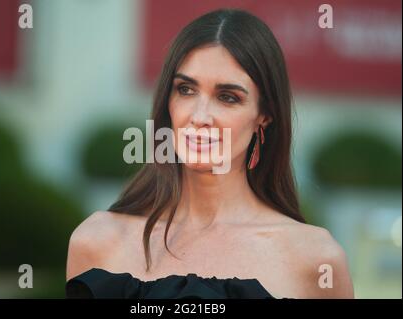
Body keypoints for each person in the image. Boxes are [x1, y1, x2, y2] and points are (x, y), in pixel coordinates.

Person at [65, 8, 354, 299]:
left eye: (227, 97)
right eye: (186, 89)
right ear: (168, 99)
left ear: (263, 115)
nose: (200, 116)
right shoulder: (97, 241)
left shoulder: (315, 260)